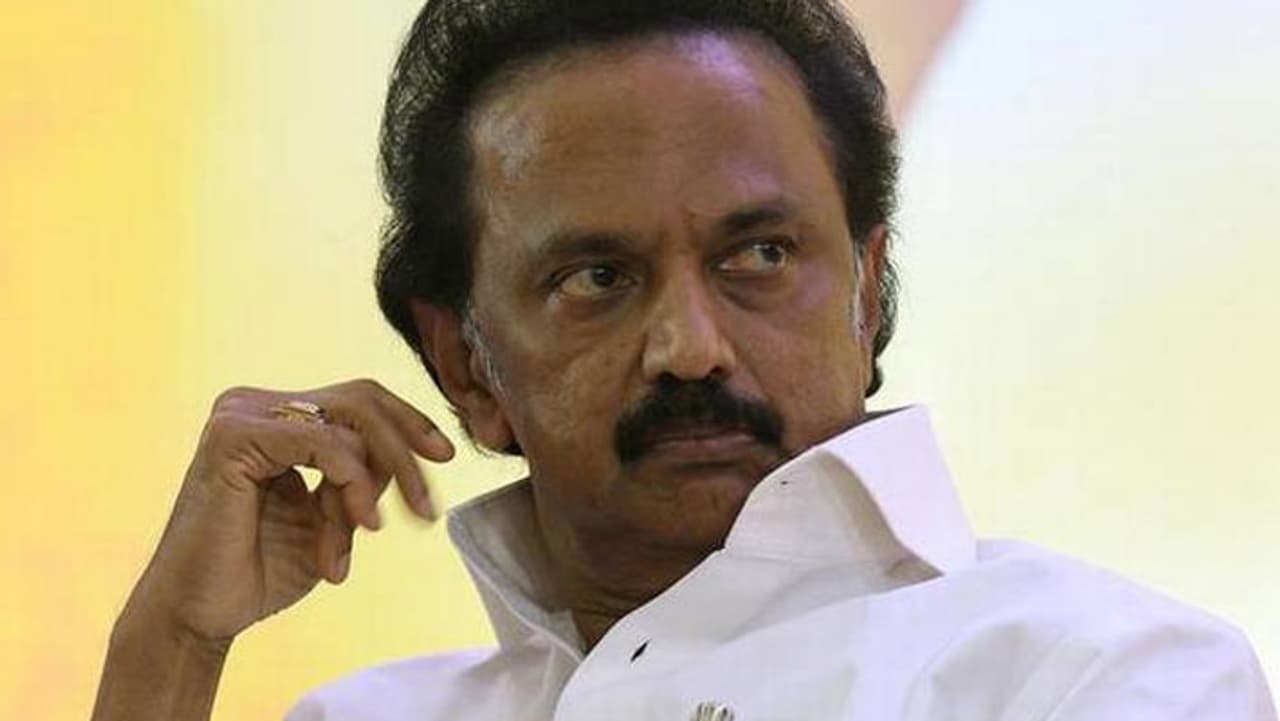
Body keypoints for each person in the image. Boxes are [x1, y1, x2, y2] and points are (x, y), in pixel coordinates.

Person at [91, 1, 1277, 719]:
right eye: (595, 277)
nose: (690, 348)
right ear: (465, 363)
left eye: (758, 255)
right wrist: (169, 649)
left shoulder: (1095, 679)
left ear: (865, 288)